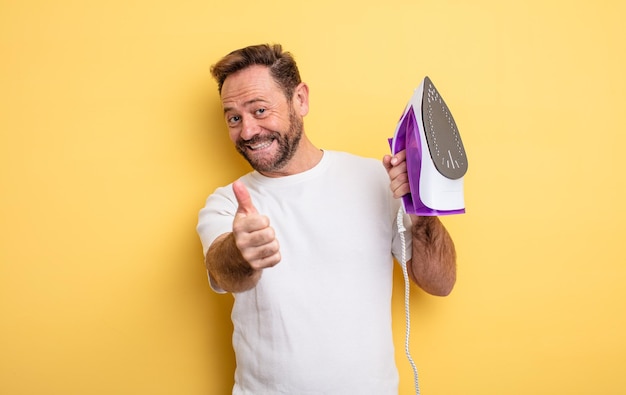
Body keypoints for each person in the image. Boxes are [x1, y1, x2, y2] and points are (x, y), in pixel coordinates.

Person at [197, 43, 457, 395]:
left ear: (300, 99)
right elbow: (223, 270)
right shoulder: (228, 203)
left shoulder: (377, 181)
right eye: (234, 118)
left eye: (259, 110)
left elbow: (440, 284)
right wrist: (241, 253)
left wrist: (422, 212)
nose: (247, 131)